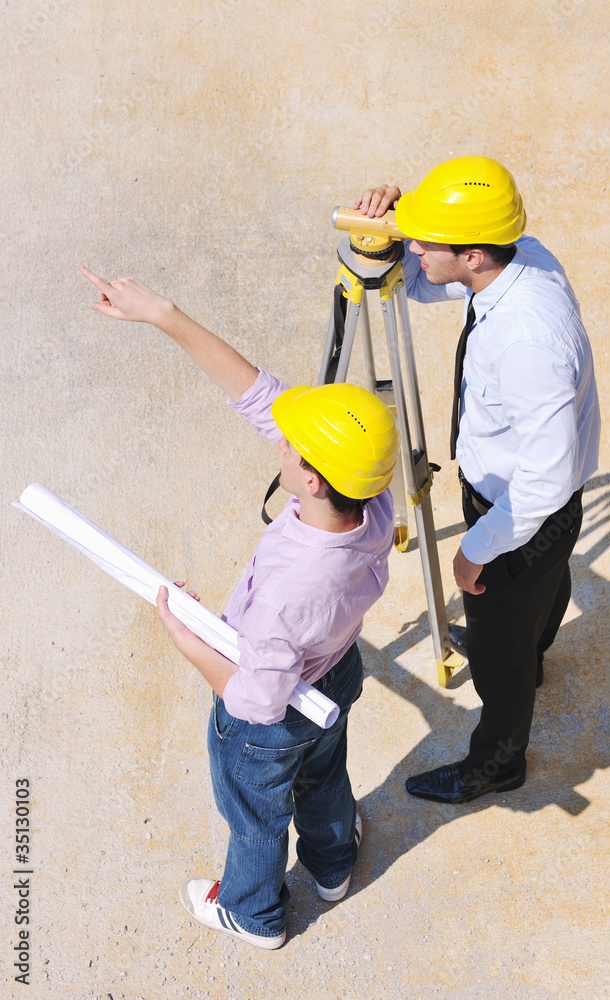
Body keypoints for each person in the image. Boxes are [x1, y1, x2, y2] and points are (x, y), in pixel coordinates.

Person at [79, 264, 399, 948]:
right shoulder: (371, 496)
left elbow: (256, 699)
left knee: (255, 816)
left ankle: (253, 913)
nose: (278, 437)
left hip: (270, 716)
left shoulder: (288, 594)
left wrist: (186, 638)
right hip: (336, 673)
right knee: (324, 774)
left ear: (312, 478)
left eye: (292, 445)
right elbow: (261, 396)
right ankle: (333, 864)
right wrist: (162, 313)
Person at [354, 156, 600, 804]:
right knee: (543, 592)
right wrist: (386, 236)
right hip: (543, 507)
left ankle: (498, 761)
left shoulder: (526, 343)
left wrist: (475, 548)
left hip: (521, 513)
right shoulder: (520, 256)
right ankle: (530, 652)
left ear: (471, 255)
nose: (413, 248)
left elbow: (543, 483)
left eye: (424, 240)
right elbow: (420, 283)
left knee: (497, 654)